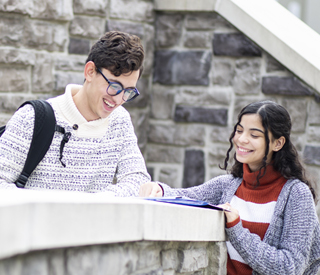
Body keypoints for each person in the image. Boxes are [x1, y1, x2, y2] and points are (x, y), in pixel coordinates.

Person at [140, 100, 320, 274]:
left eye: (254, 135)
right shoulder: (228, 185)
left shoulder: (297, 195)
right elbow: (184, 197)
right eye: (239, 130)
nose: (242, 139)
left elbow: (290, 268)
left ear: (278, 143)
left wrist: (236, 228)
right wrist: (159, 190)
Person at [0, 31, 151, 196]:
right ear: (90, 72)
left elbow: (138, 180)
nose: (119, 99)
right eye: (114, 86)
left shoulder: (120, 120)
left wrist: (92, 204)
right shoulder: (32, 118)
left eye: (128, 92)